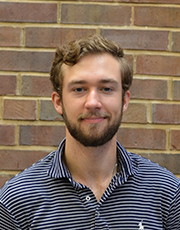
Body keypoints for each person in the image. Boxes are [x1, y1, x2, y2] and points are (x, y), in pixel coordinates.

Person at [0, 35, 179, 230]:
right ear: (58, 102)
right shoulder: (16, 201)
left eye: (106, 88)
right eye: (79, 89)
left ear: (124, 100)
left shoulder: (167, 194)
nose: (93, 102)